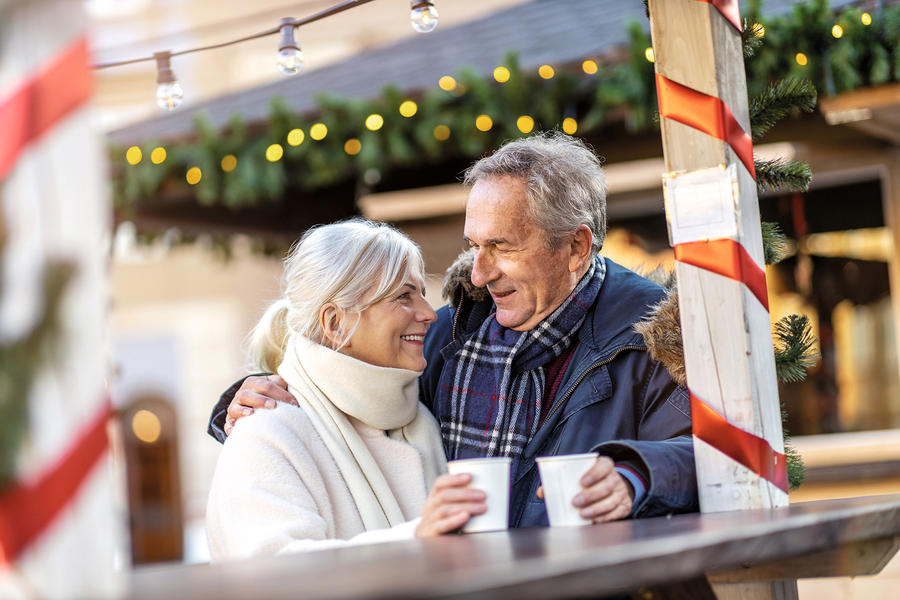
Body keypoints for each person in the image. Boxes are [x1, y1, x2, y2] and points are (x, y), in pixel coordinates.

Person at [209, 132, 697, 528]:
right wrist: (246, 398)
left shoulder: (656, 334)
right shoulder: (449, 336)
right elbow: (350, 392)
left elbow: (719, 450)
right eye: (475, 245)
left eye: (502, 247)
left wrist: (636, 475)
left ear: (574, 248)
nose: (479, 273)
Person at [206, 219, 487, 561]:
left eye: (422, 294)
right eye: (403, 297)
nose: (429, 314)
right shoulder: (265, 434)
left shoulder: (421, 417)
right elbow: (272, 576)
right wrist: (415, 540)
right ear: (336, 324)